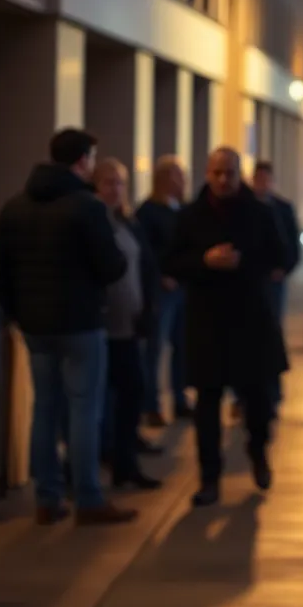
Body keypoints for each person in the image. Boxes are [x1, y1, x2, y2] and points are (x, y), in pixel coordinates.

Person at [0, 128, 135, 525]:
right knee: (85, 410)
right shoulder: (85, 207)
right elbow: (112, 266)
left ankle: (47, 498)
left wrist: (18, 310)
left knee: (45, 410)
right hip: (81, 324)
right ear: (83, 160)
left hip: (35, 327)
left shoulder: (15, 206)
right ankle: (88, 498)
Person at [164, 147, 289, 507]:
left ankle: (258, 452)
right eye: (217, 173)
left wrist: (243, 261)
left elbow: (280, 256)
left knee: (257, 399)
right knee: (207, 404)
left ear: (239, 175)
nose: (223, 180)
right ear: (207, 173)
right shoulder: (190, 216)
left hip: (250, 320)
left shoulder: (260, 213)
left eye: (230, 173)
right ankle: (209, 478)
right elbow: (171, 261)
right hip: (207, 321)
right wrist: (205, 261)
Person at [91, 158, 162, 491]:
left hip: (129, 325)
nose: (115, 189)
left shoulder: (128, 223)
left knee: (133, 391)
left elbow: (146, 266)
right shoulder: (91, 223)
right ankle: (95, 463)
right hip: (100, 327)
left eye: (120, 183)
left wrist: (148, 307)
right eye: (108, 183)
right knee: (99, 400)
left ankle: (125, 463)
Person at [134, 155, 191, 425]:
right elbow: (145, 252)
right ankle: (150, 404)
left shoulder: (182, 210)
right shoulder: (148, 211)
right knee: (154, 349)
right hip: (162, 289)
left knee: (182, 346)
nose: (181, 181)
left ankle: (180, 398)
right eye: (176, 176)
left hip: (183, 286)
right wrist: (160, 276)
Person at [251, 161, 300, 407]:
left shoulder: (282, 208)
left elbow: (292, 245)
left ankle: (273, 387)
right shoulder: (245, 207)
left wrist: (284, 269)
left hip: (274, 280)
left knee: (272, 332)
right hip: (251, 282)